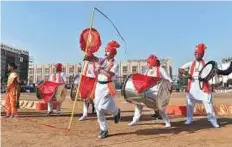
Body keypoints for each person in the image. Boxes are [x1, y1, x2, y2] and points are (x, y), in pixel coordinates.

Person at [85, 40, 121, 139]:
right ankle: (104, 129)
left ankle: (116, 111)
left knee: (102, 107)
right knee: (98, 109)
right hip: (98, 86)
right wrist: (88, 54)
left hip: (107, 86)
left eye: (107, 51)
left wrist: (101, 70)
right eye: (105, 50)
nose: (105, 52)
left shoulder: (115, 64)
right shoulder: (102, 60)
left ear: (112, 53)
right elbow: (94, 58)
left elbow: (110, 74)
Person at [179, 43, 219, 128]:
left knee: (208, 103)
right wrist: (187, 74)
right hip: (192, 86)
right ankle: (189, 119)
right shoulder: (190, 63)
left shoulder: (207, 63)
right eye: (196, 54)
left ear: (202, 55)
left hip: (203, 86)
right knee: (189, 103)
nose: (197, 55)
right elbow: (180, 69)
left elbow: (212, 70)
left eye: (199, 54)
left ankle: (213, 120)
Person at [128, 55, 173, 128]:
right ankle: (135, 120)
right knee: (138, 104)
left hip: (157, 93)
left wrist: (169, 88)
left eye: (148, 63)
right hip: (146, 91)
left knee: (160, 108)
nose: (147, 64)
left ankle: (167, 122)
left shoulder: (160, 69)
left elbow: (169, 80)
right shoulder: (147, 71)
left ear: (152, 63)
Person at [79, 53, 98, 121]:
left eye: (87, 57)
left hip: (94, 81)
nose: (86, 59)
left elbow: (97, 72)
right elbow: (83, 72)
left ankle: (98, 113)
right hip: (86, 81)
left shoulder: (96, 63)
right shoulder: (86, 63)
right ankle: (85, 114)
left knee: (95, 98)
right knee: (85, 99)